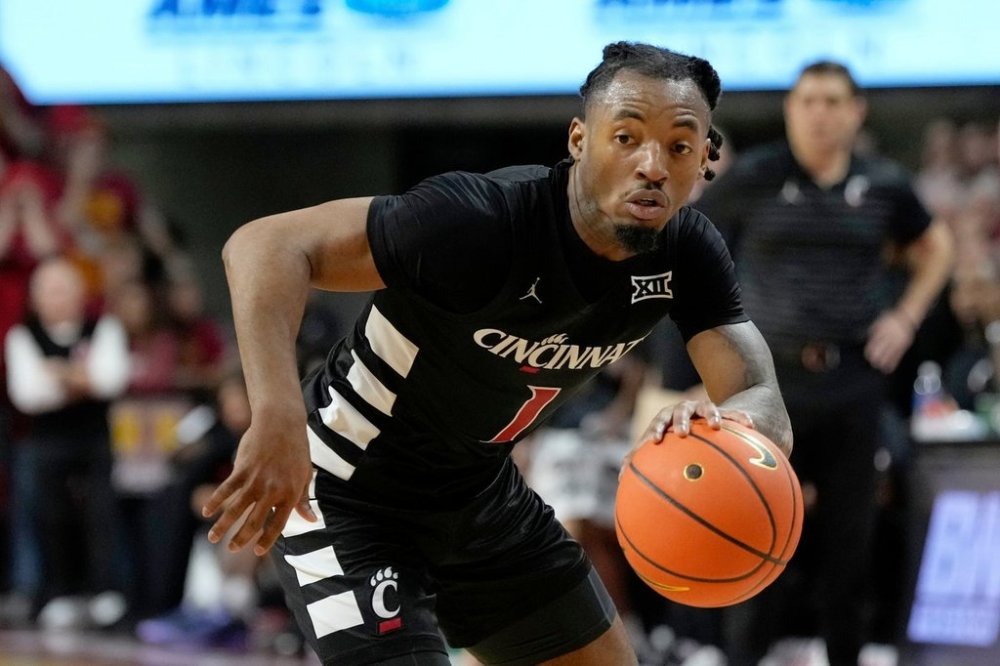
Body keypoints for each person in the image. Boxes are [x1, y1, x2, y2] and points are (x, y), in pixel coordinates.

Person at [203, 42, 793, 666]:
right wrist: (277, 417)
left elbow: (768, 409)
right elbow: (263, 245)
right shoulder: (478, 221)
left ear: (704, 158)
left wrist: (721, 424)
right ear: (578, 140)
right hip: (350, 493)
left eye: (678, 145)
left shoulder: (688, 254)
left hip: (483, 498)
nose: (652, 164)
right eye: (625, 137)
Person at [694, 61, 954, 665]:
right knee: (756, 544)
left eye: (834, 101)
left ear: (857, 112)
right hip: (766, 387)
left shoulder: (884, 183)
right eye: (808, 100)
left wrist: (906, 317)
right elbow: (690, 242)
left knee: (849, 551)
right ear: (790, 109)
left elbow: (936, 246)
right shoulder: (754, 177)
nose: (820, 113)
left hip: (852, 382)